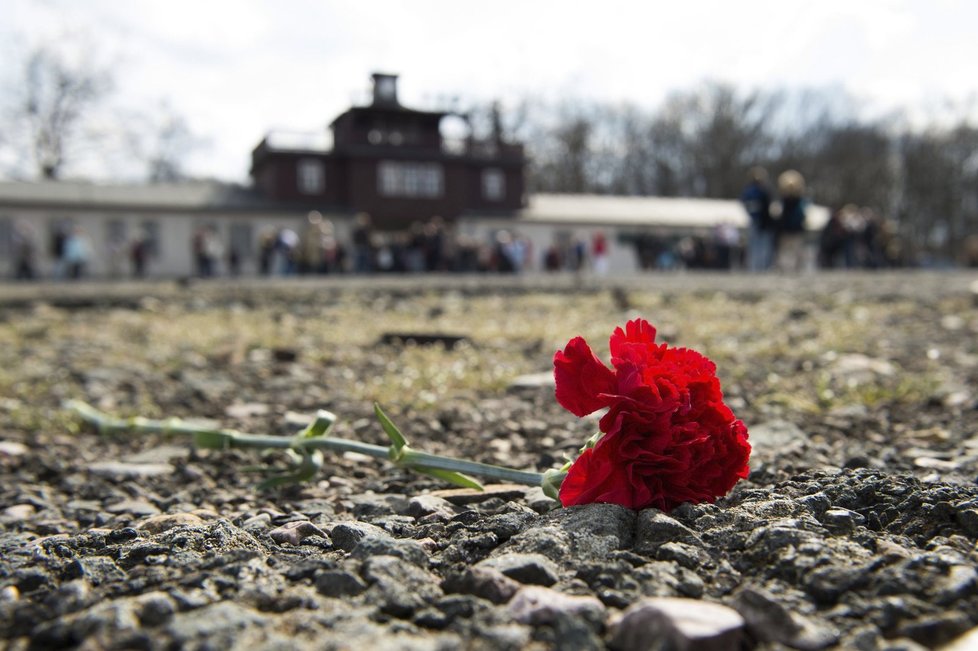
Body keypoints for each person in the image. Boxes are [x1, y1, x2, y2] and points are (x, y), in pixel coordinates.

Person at [741, 167, 774, 271]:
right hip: (756, 222)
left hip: (764, 223)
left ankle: (761, 267)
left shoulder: (765, 190)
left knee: (762, 247)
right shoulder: (751, 191)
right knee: (756, 247)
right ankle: (756, 268)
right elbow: (746, 204)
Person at [775, 170, 808, 272]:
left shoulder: (799, 202)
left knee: (796, 252)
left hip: (794, 229)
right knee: (786, 252)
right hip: (787, 230)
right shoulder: (784, 202)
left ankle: (794, 269)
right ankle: (787, 269)